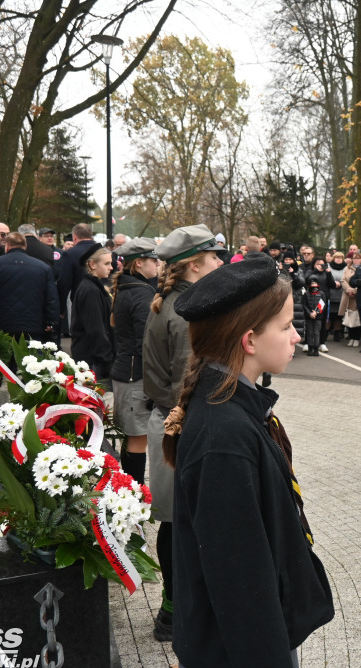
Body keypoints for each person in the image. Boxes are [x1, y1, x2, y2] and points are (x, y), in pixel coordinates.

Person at [166, 255, 333, 668]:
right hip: (236, 659)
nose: (297, 336)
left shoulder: (233, 410)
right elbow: (240, 581)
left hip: (241, 649)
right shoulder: (225, 436)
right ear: (249, 340)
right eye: (286, 326)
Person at [142, 223, 223, 642]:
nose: (220, 263)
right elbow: (186, 385)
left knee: (177, 521)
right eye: (213, 258)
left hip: (170, 421)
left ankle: (176, 606)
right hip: (182, 425)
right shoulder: (185, 312)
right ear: (194, 266)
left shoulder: (174, 303)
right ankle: (175, 610)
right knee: (181, 523)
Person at [109, 238, 159, 484]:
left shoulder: (131, 287)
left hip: (129, 373)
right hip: (134, 376)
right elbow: (145, 343)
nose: (158, 264)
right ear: (139, 263)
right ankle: (133, 496)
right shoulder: (141, 292)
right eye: (154, 260)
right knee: (137, 438)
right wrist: (153, 385)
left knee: (134, 437)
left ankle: (130, 493)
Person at [0, 233, 59, 343]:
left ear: (7, 246)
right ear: (25, 246)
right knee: (30, 358)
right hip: (32, 324)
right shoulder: (43, 268)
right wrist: (51, 322)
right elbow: (51, 298)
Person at [70, 244, 116, 385]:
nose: (111, 267)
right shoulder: (90, 290)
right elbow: (95, 328)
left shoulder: (94, 287)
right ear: (92, 264)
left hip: (94, 357)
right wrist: (106, 359)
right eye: (106, 263)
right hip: (94, 360)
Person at [340, 252, 361, 346]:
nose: (356, 260)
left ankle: (357, 338)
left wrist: (355, 291)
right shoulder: (347, 268)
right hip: (348, 295)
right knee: (349, 317)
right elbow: (343, 280)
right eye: (354, 258)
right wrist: (349, 289)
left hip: (358, 296)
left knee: (357, 318)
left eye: (358, 258)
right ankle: (351, 336)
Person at [327, 250, 348, 342]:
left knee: (339, 316)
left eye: (340, 258)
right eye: (337, 257)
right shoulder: (328, 267)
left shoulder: (346, 268)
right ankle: (325, 333)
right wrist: (333, 283)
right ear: (333, 258)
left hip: (341, 294)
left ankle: (337, 333)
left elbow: (348, 279)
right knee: (329, 315)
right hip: (330, 294)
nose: (338, 259)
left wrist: (340, 283)